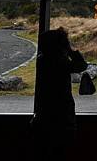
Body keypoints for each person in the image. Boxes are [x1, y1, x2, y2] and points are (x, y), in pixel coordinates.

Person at [31, 28, 88, 160]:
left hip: (43, 115)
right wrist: (70, 50)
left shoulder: (42, 60)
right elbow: (81, 65)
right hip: (62, 117)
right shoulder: (60, 62)